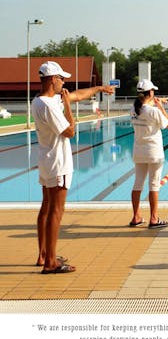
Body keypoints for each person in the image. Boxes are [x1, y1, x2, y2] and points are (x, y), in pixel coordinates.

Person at [32, 61, 115, 273]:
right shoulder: (50, 106)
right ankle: (51, 262)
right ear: (53, 79)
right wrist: (68, 107)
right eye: (61, 79)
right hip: (58, 162)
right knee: (56, 211)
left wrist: (99, 88)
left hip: (46, 160)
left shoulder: (40, 100)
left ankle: (44, 255)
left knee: (46, 207)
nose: (64, 82)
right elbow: (70, 132)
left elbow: (78, 95)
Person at [129, 79, 168, 229]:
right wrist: (161, 107)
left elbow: (145, 106)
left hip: (138, 151)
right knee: (154, 184)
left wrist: (157, 102)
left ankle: (136, 217)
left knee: (137, 183)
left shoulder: (134, 109)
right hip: (153, 152)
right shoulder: (153, 111)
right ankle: (153, 218)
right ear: (150, 93)